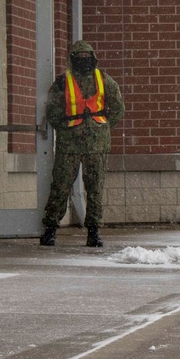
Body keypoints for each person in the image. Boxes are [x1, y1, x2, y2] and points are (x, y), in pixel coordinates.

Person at [40, 40, 125, 247]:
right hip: (69, 145)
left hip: (97, 145)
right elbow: (52, 110)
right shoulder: (62, 82)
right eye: (79, 58)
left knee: (95, 188)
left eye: (86, 58)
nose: (83, 61)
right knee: (60, 186)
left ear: (93, 58)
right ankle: (50, 228)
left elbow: (118, 108)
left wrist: (102, 127)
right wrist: (66, 128)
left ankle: (94, 232)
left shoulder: (104, 80)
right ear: (72, 59)